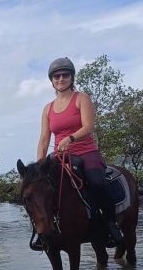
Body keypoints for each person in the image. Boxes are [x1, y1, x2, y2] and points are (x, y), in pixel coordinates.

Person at [34, 57, 123, 249]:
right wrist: (39, 168)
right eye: (56, 76)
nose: (61, 79)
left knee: (98, 184)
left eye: (65, 75)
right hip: (59, 157)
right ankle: (42, 233)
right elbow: (43, 140)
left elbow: (88, 127)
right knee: (40, 192)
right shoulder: (48, 109)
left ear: (72, 77)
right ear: (52, 80)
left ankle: (110, 225)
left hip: (85, 152)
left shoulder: (81, 99)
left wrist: (71, 138)